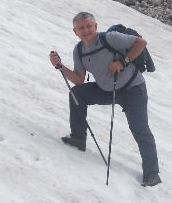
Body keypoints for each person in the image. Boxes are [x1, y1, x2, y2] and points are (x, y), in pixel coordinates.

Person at [49, 11, 161, 187]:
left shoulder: (110, 38)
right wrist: (60, 66)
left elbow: (141, 43)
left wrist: (122, 61)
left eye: (88, 26)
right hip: (108, 90)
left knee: (139, 128)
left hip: (133, 88)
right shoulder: (79, 51)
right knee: (77, 94)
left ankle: (152, 173)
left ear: (95, 26)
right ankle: (78, 138)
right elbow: (79, 79)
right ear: (75, 31)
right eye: (81, 28)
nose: (86, 30)